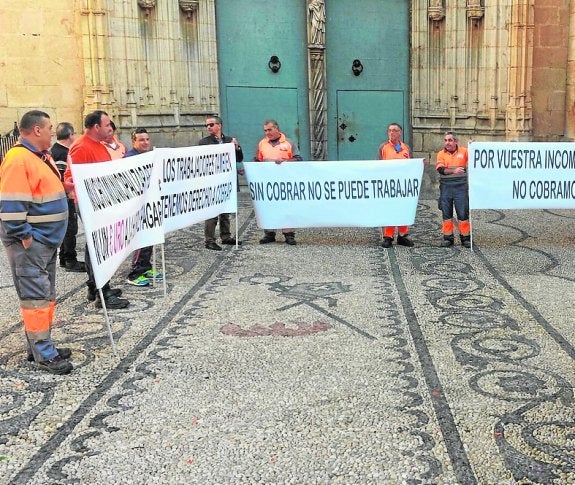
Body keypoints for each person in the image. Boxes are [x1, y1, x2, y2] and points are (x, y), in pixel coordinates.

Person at [0, 111, 73, 374]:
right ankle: (44, 353)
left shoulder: (41, 156)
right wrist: (25, 235)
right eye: (50, 127)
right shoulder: (19, 159)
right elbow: (10, 205)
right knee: (36, 298)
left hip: (44, 241)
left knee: (44, 295)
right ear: (37, 130)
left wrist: (65, 189)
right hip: (31, 243)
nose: (53, 132)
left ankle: (39, 346)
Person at [66, 111, 129, 309]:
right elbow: (72, 176)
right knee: (97, 245)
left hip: (103, 203)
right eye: (107, 124)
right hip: (91, 205)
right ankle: (102, 292)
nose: (110, 127)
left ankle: (96, 286)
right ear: (96, 127)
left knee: (100, 244)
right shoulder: (81, 147)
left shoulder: (99, 145)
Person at [254, 119, 303, 246]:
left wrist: (285, 162)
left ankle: (289, 235)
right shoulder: (262, 143)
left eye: (269, 129)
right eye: (265, 130)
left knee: (287, 206)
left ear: (277, 128)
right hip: (268, 181)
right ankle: (269, 234)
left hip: (286, 181)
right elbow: (257, 160)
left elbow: (298, 159)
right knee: (269, 206)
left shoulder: (289, 142)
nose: (267, 132)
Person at [124, 128, 163, 285]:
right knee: (141, 238)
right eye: (141, 140)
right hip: (137, 205)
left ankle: (145, 267)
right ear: (133, 141)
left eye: (147, 139)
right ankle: (135, 273)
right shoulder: (130, 158)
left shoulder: (149, 155)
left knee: (150, 235)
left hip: (150, 202)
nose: (145, 142)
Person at [199, 116, 244, 250]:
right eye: (207, 125)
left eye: (211, 124)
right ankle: (209, 240)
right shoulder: (204, 142)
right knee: (212, 212)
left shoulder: (230, 140)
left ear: (219, 125)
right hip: (212, 181)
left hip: (227, 180)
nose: (209, 127)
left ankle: (226, 236)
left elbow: (239, 158)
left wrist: (237, 148)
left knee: (226, 210)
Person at [51, 122, 85, 272]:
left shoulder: (57, 150)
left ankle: (64, 258)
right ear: (70, 135)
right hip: (65, 196)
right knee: (70, 228)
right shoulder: (62, 153)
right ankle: (71, 260)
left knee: (67, 228)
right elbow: (60, 179)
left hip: (63, 196)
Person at [377, 122, 415, 248]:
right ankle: (388, 236)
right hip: (388, 185)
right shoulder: (383, 147)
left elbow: (411, 164)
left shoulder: (406, 148)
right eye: (389, 130)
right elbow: (377, 165)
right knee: (390, 209)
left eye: (394, 130)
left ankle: (403, 235)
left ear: (400, 133)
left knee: (403, 209)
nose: (391, 132)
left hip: (403, 185)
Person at [435, 131, 471, 248]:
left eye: (450, 140)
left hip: (461, 187)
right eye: (445, 140)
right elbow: (441, 169)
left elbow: (476, 156)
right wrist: (453, 171)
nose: (447, 143)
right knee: (446, 213)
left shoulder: (464, 151)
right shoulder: (441, 154)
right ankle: (448, 238)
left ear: (456, 141)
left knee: (463, 213)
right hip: (446, 187)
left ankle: (465, 238)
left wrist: (474, 146)